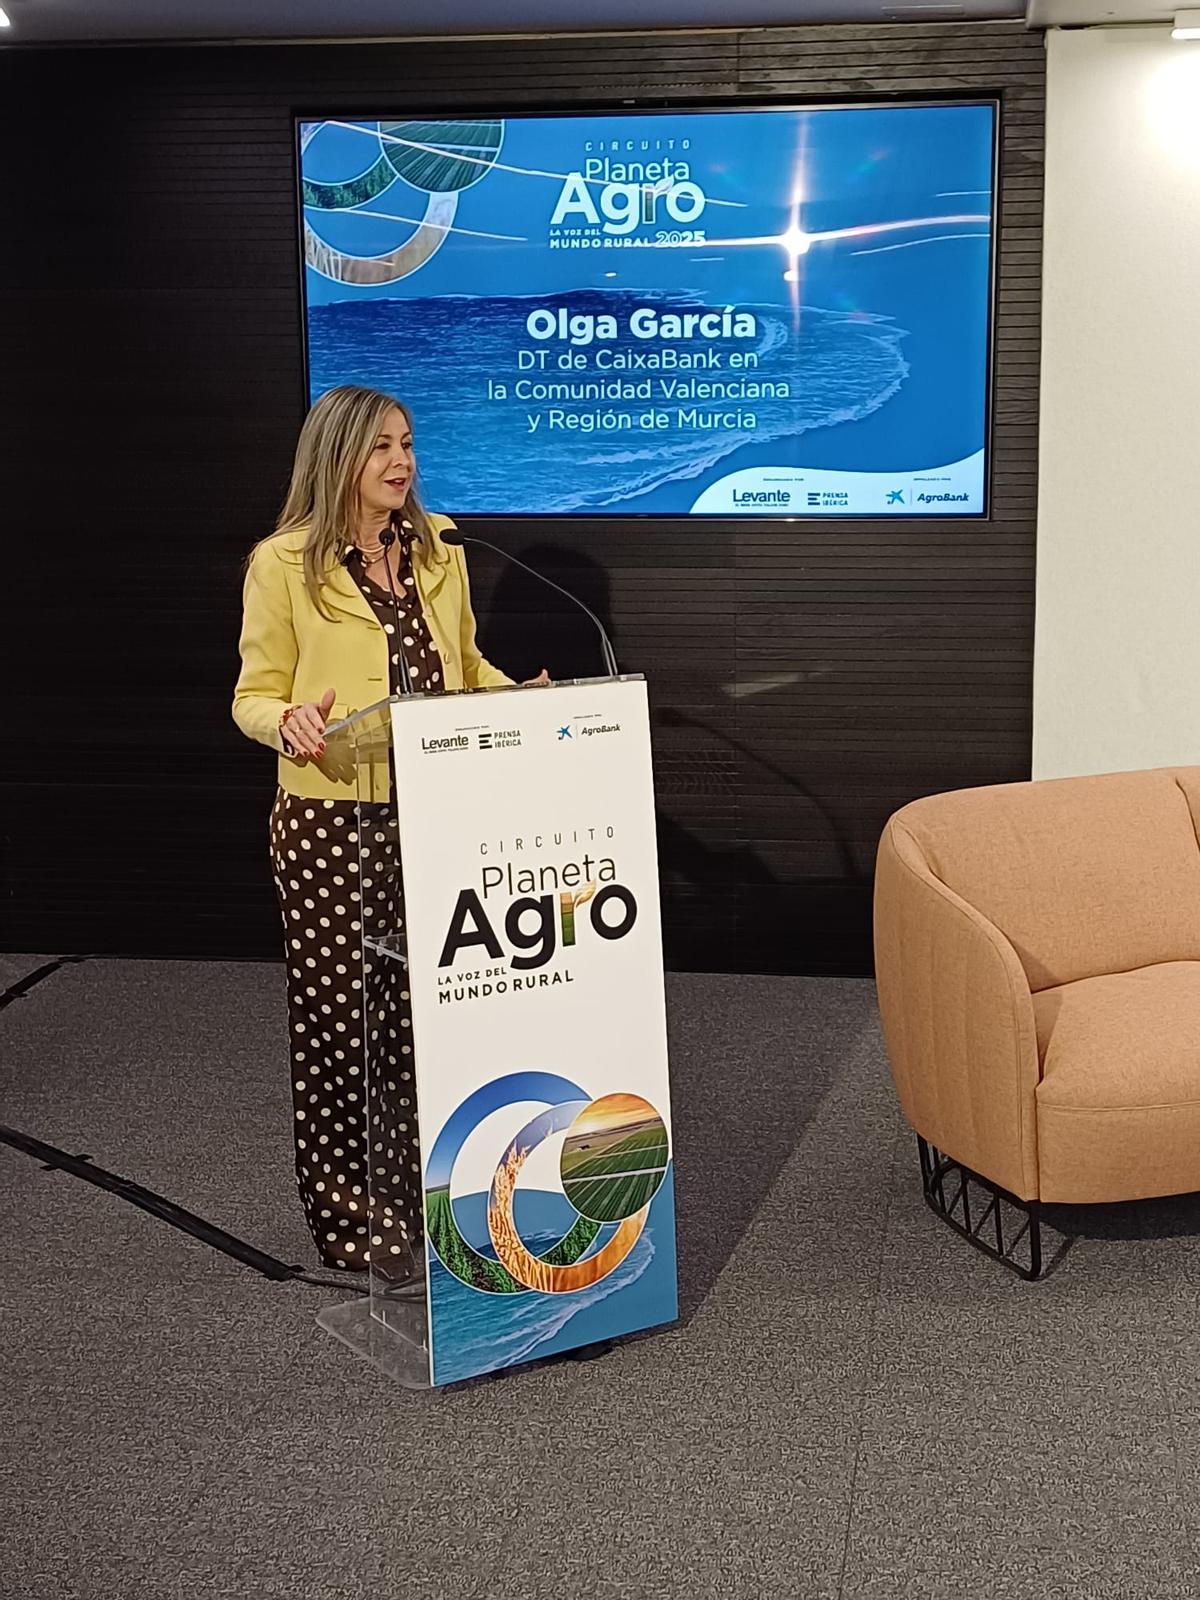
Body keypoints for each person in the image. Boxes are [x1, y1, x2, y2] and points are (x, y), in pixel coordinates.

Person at [233, 385, 544, 1270]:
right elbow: (253, 694)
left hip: (439, 813)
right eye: (380, 448)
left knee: (427, 1020)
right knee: (340, 1022)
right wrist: (287, 720)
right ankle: (349, 1219)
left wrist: (512, 697)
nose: (401, 462)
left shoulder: (440, 548)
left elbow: (463, 665)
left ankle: (425, 1198)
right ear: (337, 457)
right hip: (332, 824)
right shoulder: (284, 563)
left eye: (407, 443)